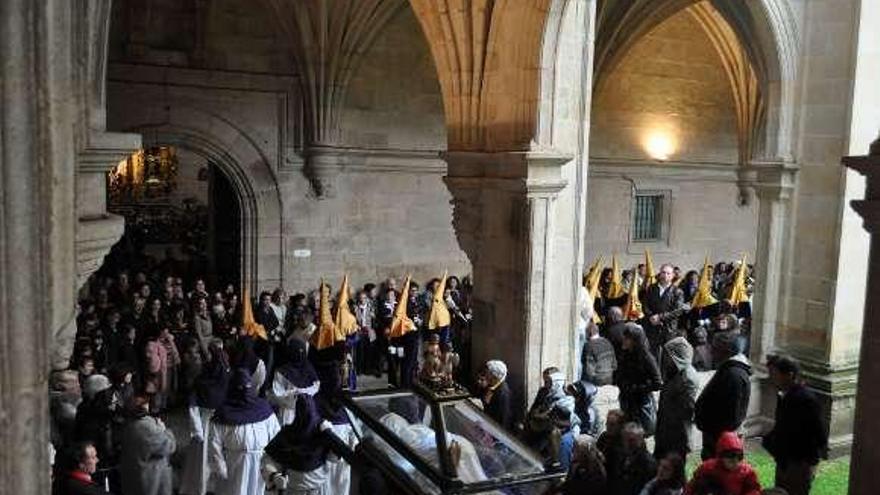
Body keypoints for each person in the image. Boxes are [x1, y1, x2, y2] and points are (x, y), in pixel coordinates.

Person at [761, 355, 828, 495]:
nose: (771, 378)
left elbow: (818, 433)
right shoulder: (785, 396)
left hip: (799, 462)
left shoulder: (805, 400)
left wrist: (810, 462)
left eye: (775, 374)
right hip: (785, 460)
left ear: (789, 375)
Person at [209, 369, 281, 495]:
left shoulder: (264, 410)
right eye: (240, 387)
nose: (244, 390)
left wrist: (273, 464)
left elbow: (276, 436)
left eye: (247, 387)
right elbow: (214, 442)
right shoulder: (223, 415)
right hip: (234, 464)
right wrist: (220, 466)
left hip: (259, 464)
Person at [180, 341, 231, 495]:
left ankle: (201, 489)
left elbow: (193, 406)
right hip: (220, 423)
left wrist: (197, 431)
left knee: (203, 460)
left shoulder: (202, 380)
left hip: (205, 423)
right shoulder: (226, 376)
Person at [694, 331, 752, 460]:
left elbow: (733, 415)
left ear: (726, 351)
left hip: (720, 439)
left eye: (715, 348)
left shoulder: (734, 375)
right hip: (715, 435)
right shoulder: (728, 369)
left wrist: (715, 432)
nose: (712, 351)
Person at [262, 395, 334, 495]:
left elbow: (333, 458)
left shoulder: (321, 434)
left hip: (319, 488)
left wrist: (330, 436)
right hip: (294, 490)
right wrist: (275, 476)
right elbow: (267, 460)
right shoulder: (286, 435)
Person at [119, 395, 176, 495]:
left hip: (131, 476)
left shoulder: (126, 424)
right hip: (150, 480)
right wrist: (164, 430)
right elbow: (170, 446)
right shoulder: (148, 427)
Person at [654, 337, 698, 459]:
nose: (666, 359)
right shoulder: (674, 373)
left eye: (668, 355)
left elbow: (688, 410)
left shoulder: (687, 378)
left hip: (677, 436)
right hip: (666, 430)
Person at [617, 325, 662, 436]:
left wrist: (637, 388)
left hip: (641, 401)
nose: (624, 340)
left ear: (634, 340)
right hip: (627, 400)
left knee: (643, 432)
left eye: (627, 338)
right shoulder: (625, 355)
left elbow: (657, 383)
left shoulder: (646, 357)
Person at [685, 431, 761, 495]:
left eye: (739, 457)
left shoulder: (747, 472)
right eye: (730, 458)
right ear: (721, 457)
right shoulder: (708, 468)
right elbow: (692, 486)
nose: (735, 461)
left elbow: (754, 490)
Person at [269, 337, 320, 426]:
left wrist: (297, 393)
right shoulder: (282, 372)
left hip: (307, 411)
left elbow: (316, 387)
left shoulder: (309, 369)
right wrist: (296, 394)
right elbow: (278, 393)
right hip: (289, 413)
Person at [643, 264, 686, 360]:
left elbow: (677, 311)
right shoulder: (651, 288)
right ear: (660, 273)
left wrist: (660, 317)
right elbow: (645, 305)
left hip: (669, 328)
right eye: (663, 272)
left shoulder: (677, 291)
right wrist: (651, 316)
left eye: (668, 273)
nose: (665, 275)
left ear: (673, 275)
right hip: (652, 327)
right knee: (652, 355)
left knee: (668, 357)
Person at [609, 422, 657, 495]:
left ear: (640, 440)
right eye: (625, 439)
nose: (628, 444)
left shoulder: (648, 463)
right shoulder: (618, 455)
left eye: (632, 440)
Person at [477, 360, 512, 430]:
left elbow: (502, 418)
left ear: (494, 375)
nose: (485, 375)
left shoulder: (503, 393)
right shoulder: (490, 386)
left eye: (488, 373)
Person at [582, 320, 617, 386]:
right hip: (609, 377)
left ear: (590, 333)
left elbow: (589, 370)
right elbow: (615, 365)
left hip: (597, 380)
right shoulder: (607, 342)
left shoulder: (589, 346)